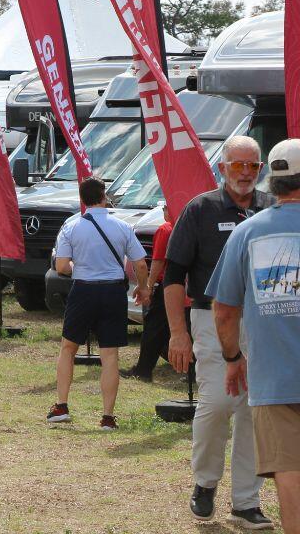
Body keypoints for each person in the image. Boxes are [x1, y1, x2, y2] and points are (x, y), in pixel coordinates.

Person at [164, 136, 275, 527]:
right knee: (218, 404)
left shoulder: (272, 208)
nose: (245, 172)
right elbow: (174, 274)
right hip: (211, 320)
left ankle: (246, 501)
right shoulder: (200, 210)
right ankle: (205, 482)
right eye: (238, 165)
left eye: (252, 165)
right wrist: (178, 332)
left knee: (253, 410)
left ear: (261, 169)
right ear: (222, 167)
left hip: (263, 323)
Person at [207, 138, 300, 534]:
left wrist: (232, 359)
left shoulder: (247, 234)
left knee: (290, 474)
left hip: (274, 379)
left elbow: (225, 311)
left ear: (271, 178)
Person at [47, 176, 149, 430]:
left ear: (82, 200)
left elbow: (61, 266)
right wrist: (143, 288)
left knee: (68, 347)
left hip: (83, 290)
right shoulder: (123, 226)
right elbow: (140, 264)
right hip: (113, 291)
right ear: (104, 196)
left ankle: (61, 405)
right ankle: (107, 417)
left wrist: (81, 267)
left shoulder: (71, 227)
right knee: (110, 355)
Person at [122, 215, 174, 382]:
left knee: (153, 327)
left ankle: (143, 370)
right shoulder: (194, 224)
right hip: (191, 285)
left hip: (168, 284)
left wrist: (148, 285)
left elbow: (158, 261)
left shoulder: (165, 229)